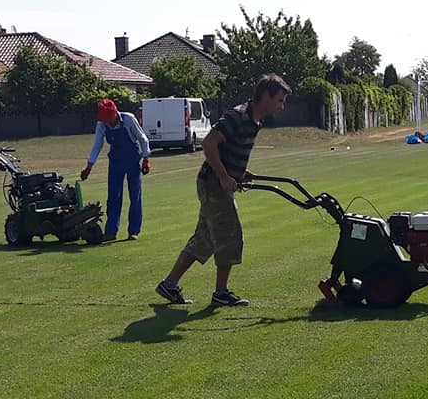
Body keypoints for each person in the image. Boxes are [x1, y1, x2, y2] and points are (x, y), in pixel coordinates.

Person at [155, 73, 291, 307]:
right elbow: (209, 143)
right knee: (229, 234)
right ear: (266, 96)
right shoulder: (238, 116)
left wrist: (240, 172)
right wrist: (224, 176)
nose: (282, 106)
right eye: (279, 100)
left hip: (216, 184)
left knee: (204, 239)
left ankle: (169, 284)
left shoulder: (255, 120)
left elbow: (230, 149)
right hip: (212, 184)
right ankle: (221, 292)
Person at [80, 98, 151, 241]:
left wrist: (146, 158)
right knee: (113, 197)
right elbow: (97, 144)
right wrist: (89, 166)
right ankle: (111, 231)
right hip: (115, 161)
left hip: (132, 158)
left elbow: (143, 139)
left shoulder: (129, 119)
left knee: (135, 196)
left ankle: (133, 231)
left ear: (114, 113)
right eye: (104, 119)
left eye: (108, 118)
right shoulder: (102, 124)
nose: (107, 122)